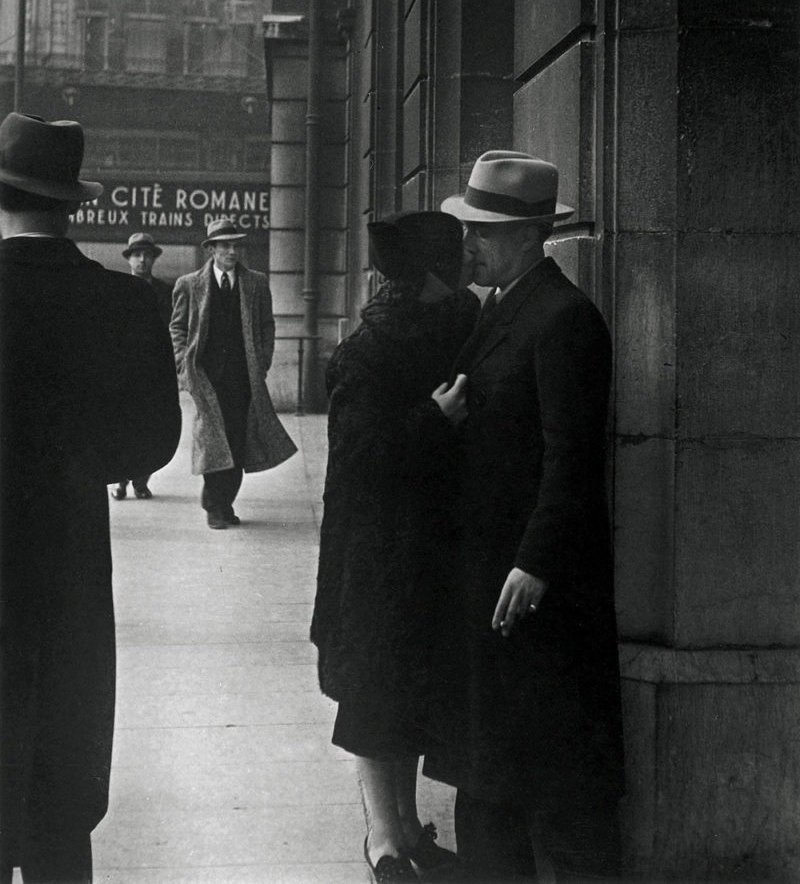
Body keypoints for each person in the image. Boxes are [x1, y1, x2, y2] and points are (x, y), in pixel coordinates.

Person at [424, 151, 624, 883]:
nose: (467, 243)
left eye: (481, 231)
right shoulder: (500, 309)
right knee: (487, 781)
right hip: (490, 579)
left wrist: (535, 562)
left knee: (550, 791)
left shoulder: (565, 319)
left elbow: (572, 460)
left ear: (528, 235)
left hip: (535, 593)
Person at [0, 112, 182, 884]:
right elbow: (153, 444)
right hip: (71, 559)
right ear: (73, 203)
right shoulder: (128, 303)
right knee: (58, 793)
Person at [311, 211, 479, 884]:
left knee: (408, 691)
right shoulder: (368, 351)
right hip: (375, 553)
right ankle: (382, 840)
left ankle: (409, 827)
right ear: (429, 277)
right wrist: (433, 421)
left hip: (429, 548)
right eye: (455, 262)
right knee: (375, 691)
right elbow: (357, 456)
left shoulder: (459, 323)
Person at [170, 217, 296, 529]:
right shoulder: (189, 284)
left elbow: (267, 324)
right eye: (225, 245)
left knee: (238, 442)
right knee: (213, 441)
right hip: (206, 378)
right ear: (211, 249)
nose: (232, 250)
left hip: (243, 378)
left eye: (236, 244)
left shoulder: (256, 282)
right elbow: (178, 327)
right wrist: (183, 366)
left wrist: (263, 361)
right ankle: (216, 508)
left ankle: (222, 502)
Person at [112, 232, 175, 501]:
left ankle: (141, 481)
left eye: (147, 255)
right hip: (124, 369)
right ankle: (120, 481)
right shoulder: (117, 289)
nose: (142, 260)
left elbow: (172, 326)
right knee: (122, 426)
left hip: (154, 368)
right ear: (129, 259)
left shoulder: (163, 291)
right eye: (137, 255)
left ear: (153, 259)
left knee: (150, 427)